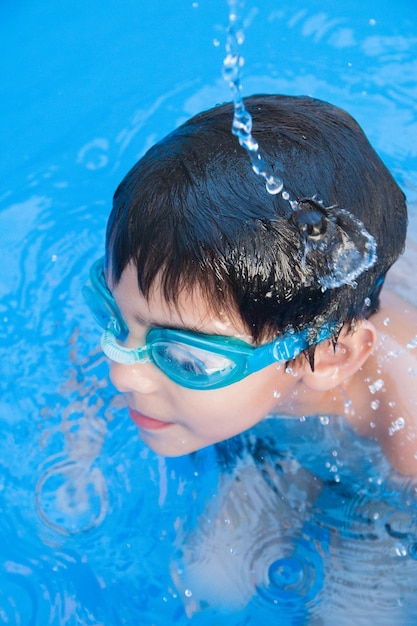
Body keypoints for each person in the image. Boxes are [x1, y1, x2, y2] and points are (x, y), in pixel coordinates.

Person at [84, 94, 417, 476]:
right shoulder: (182, 325)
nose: (120, 373)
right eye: (114, 313)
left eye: (185, 361)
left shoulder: (409, 433)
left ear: (331, 353)